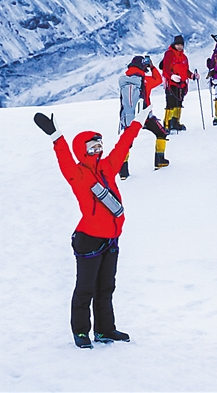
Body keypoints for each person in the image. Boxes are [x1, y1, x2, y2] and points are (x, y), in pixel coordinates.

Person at [33, 105, 152, 349]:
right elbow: (64, 157)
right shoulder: (76, 174)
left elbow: (123, 145)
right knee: (85, 288)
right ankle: (80, 332)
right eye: (92, 147)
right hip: (88, 239)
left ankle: (105, 330)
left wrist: (137, 123)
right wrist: (56, 136)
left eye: (99, 145)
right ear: (83, 150)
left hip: (111, 239)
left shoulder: (108, 167)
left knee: (106, 287)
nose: (97, 150)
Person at [118, 55, 170, 178]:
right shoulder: (145, 81)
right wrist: (152, 67)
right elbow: (158, 79)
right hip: (145, 116)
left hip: (128, 118)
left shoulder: (123, 81)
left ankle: (123, 171)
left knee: (126, 142)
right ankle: (160, 161)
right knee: (161, 133)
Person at [161, 35, 199, 133]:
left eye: (181, 45)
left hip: (181, 84)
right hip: (171, 84)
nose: (179, 46)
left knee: (178, 103)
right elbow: (165, 69)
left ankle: (175, 123)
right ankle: (167, 125)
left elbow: (185, 71)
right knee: (171, 103)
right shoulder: (169, 54)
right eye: (177, 44)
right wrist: (172, 76)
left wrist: (192, 76)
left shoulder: (184, 57)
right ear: (174, 44)